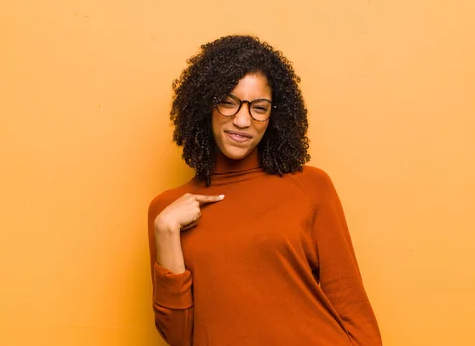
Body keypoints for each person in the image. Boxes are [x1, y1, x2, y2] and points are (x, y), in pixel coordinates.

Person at [148, 35, 382, 346]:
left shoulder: (310, 187)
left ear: (274, 116)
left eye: (259, 108)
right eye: (228, 102)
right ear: (205, 105)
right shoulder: (168, 212)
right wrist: (165, 231)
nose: (242, 120)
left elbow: (351, 303)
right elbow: (179, 336)